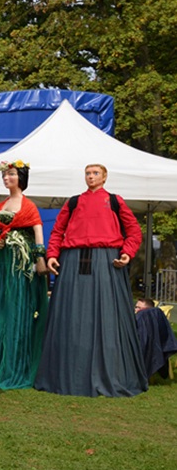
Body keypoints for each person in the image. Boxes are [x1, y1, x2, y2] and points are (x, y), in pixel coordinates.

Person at [35, 163, 147, 397]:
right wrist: (53, 254)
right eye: (88, 173)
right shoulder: (73, 201)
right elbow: (57, 231)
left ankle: (111, 372)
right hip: (72, 261)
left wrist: (127, 252)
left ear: (104, 177)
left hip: (107, 262)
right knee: (71, 317)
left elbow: (134, 231)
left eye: (95, 173)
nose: (91, 176)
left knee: (107, 316)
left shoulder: (115, 200)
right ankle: (65, 374)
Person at [0, 160, 49, 390]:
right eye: (5, 175)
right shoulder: (1, 205)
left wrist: (39, 259)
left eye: (11, 175)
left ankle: (16, 366)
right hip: (3, 263)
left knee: (18, 308)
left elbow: (38, 231)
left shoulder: (28, 206)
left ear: (21, 177)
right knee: (0, 308)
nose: (7, 178)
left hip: (20, 263)